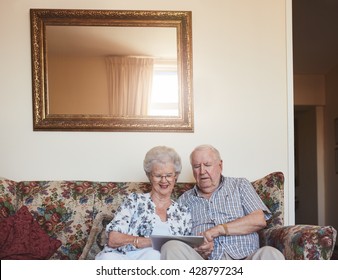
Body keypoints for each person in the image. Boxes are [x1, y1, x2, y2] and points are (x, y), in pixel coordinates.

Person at [161, 144, 285, 260]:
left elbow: (259, 220)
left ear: (220, 166)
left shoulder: (240, 185)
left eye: (207, 165)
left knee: (270, 254)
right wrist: (198, 248)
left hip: (247, 260)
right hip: (205, 267)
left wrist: (218, 229)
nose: (202, 171)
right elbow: (178, 236)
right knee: (171, 247)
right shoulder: (184, 200)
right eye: (197, 166)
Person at [95, 146, 192, 260]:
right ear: (149, 176)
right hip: (121, 259)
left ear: (176, 176)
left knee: (154, 255)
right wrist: (145, 242)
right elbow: (113, 239)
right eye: (158, 175)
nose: (164, 180)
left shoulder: (183, 212)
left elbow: (186, 251)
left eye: (169, 175)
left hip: (155, 266)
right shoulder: (134, 201)